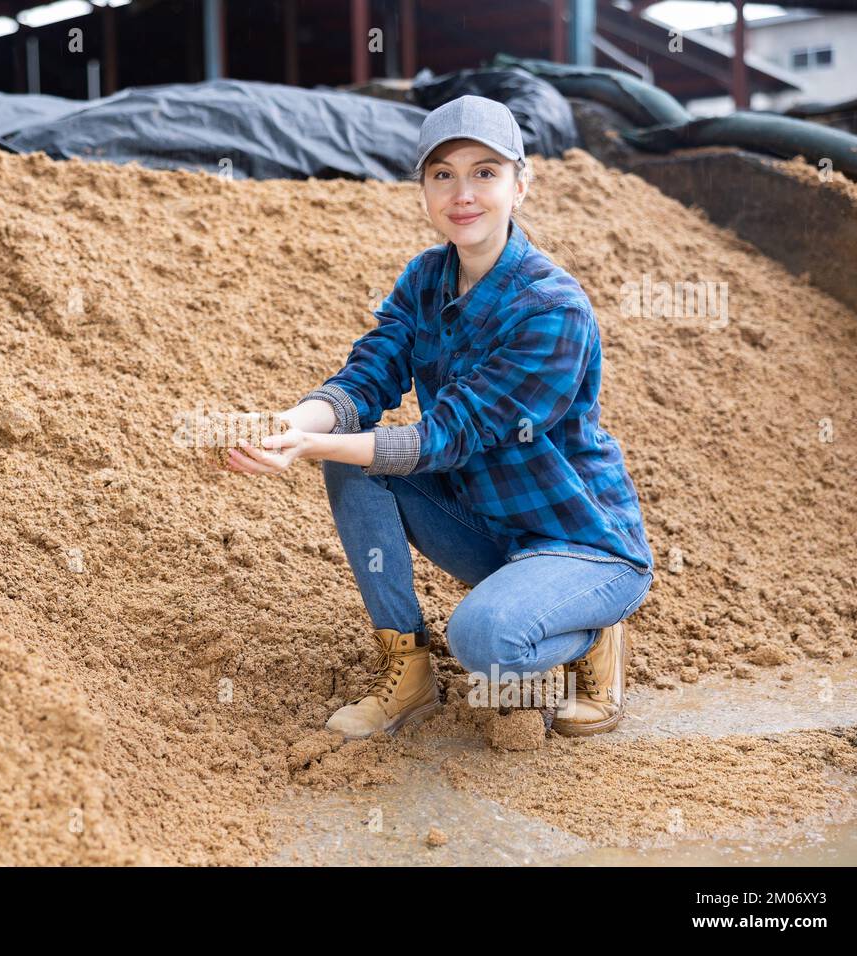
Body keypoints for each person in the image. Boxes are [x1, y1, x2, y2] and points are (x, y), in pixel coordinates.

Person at [223, 95, 655, 740]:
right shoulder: (427, 277)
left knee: (485, 640)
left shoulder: (552, 308)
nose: (463, 193)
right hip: (490, 529)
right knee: (351, 459)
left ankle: (590, 632)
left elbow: (451, 434)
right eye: (443, 174)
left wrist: (315, 445)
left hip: (579, 540)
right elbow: (372, 371)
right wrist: (296, 422)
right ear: (423, 188)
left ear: (520, 184)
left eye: (485, 172)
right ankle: (408, 671)